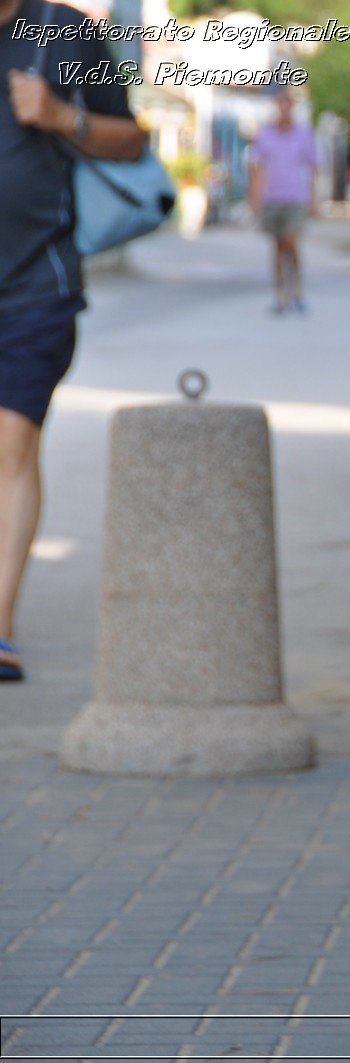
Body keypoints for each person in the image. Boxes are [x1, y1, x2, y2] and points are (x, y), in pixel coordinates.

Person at [0, 0, 145, 682]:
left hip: (38, 283)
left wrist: (62, 116)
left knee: (12, 442)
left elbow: (133, 139)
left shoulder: (65, 32)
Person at [248, 89, 317, 314]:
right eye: (280, 103)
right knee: (277, 247)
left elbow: (313, 167)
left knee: (291, 241)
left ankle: (297, 290)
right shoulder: (266, 134)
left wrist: (313, 198)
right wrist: (255, 198)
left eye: (288, 103)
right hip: (272, 197)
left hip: (295, 196)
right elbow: (258, 168)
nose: (284, 108)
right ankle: (279, 295)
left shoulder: (303, 134)